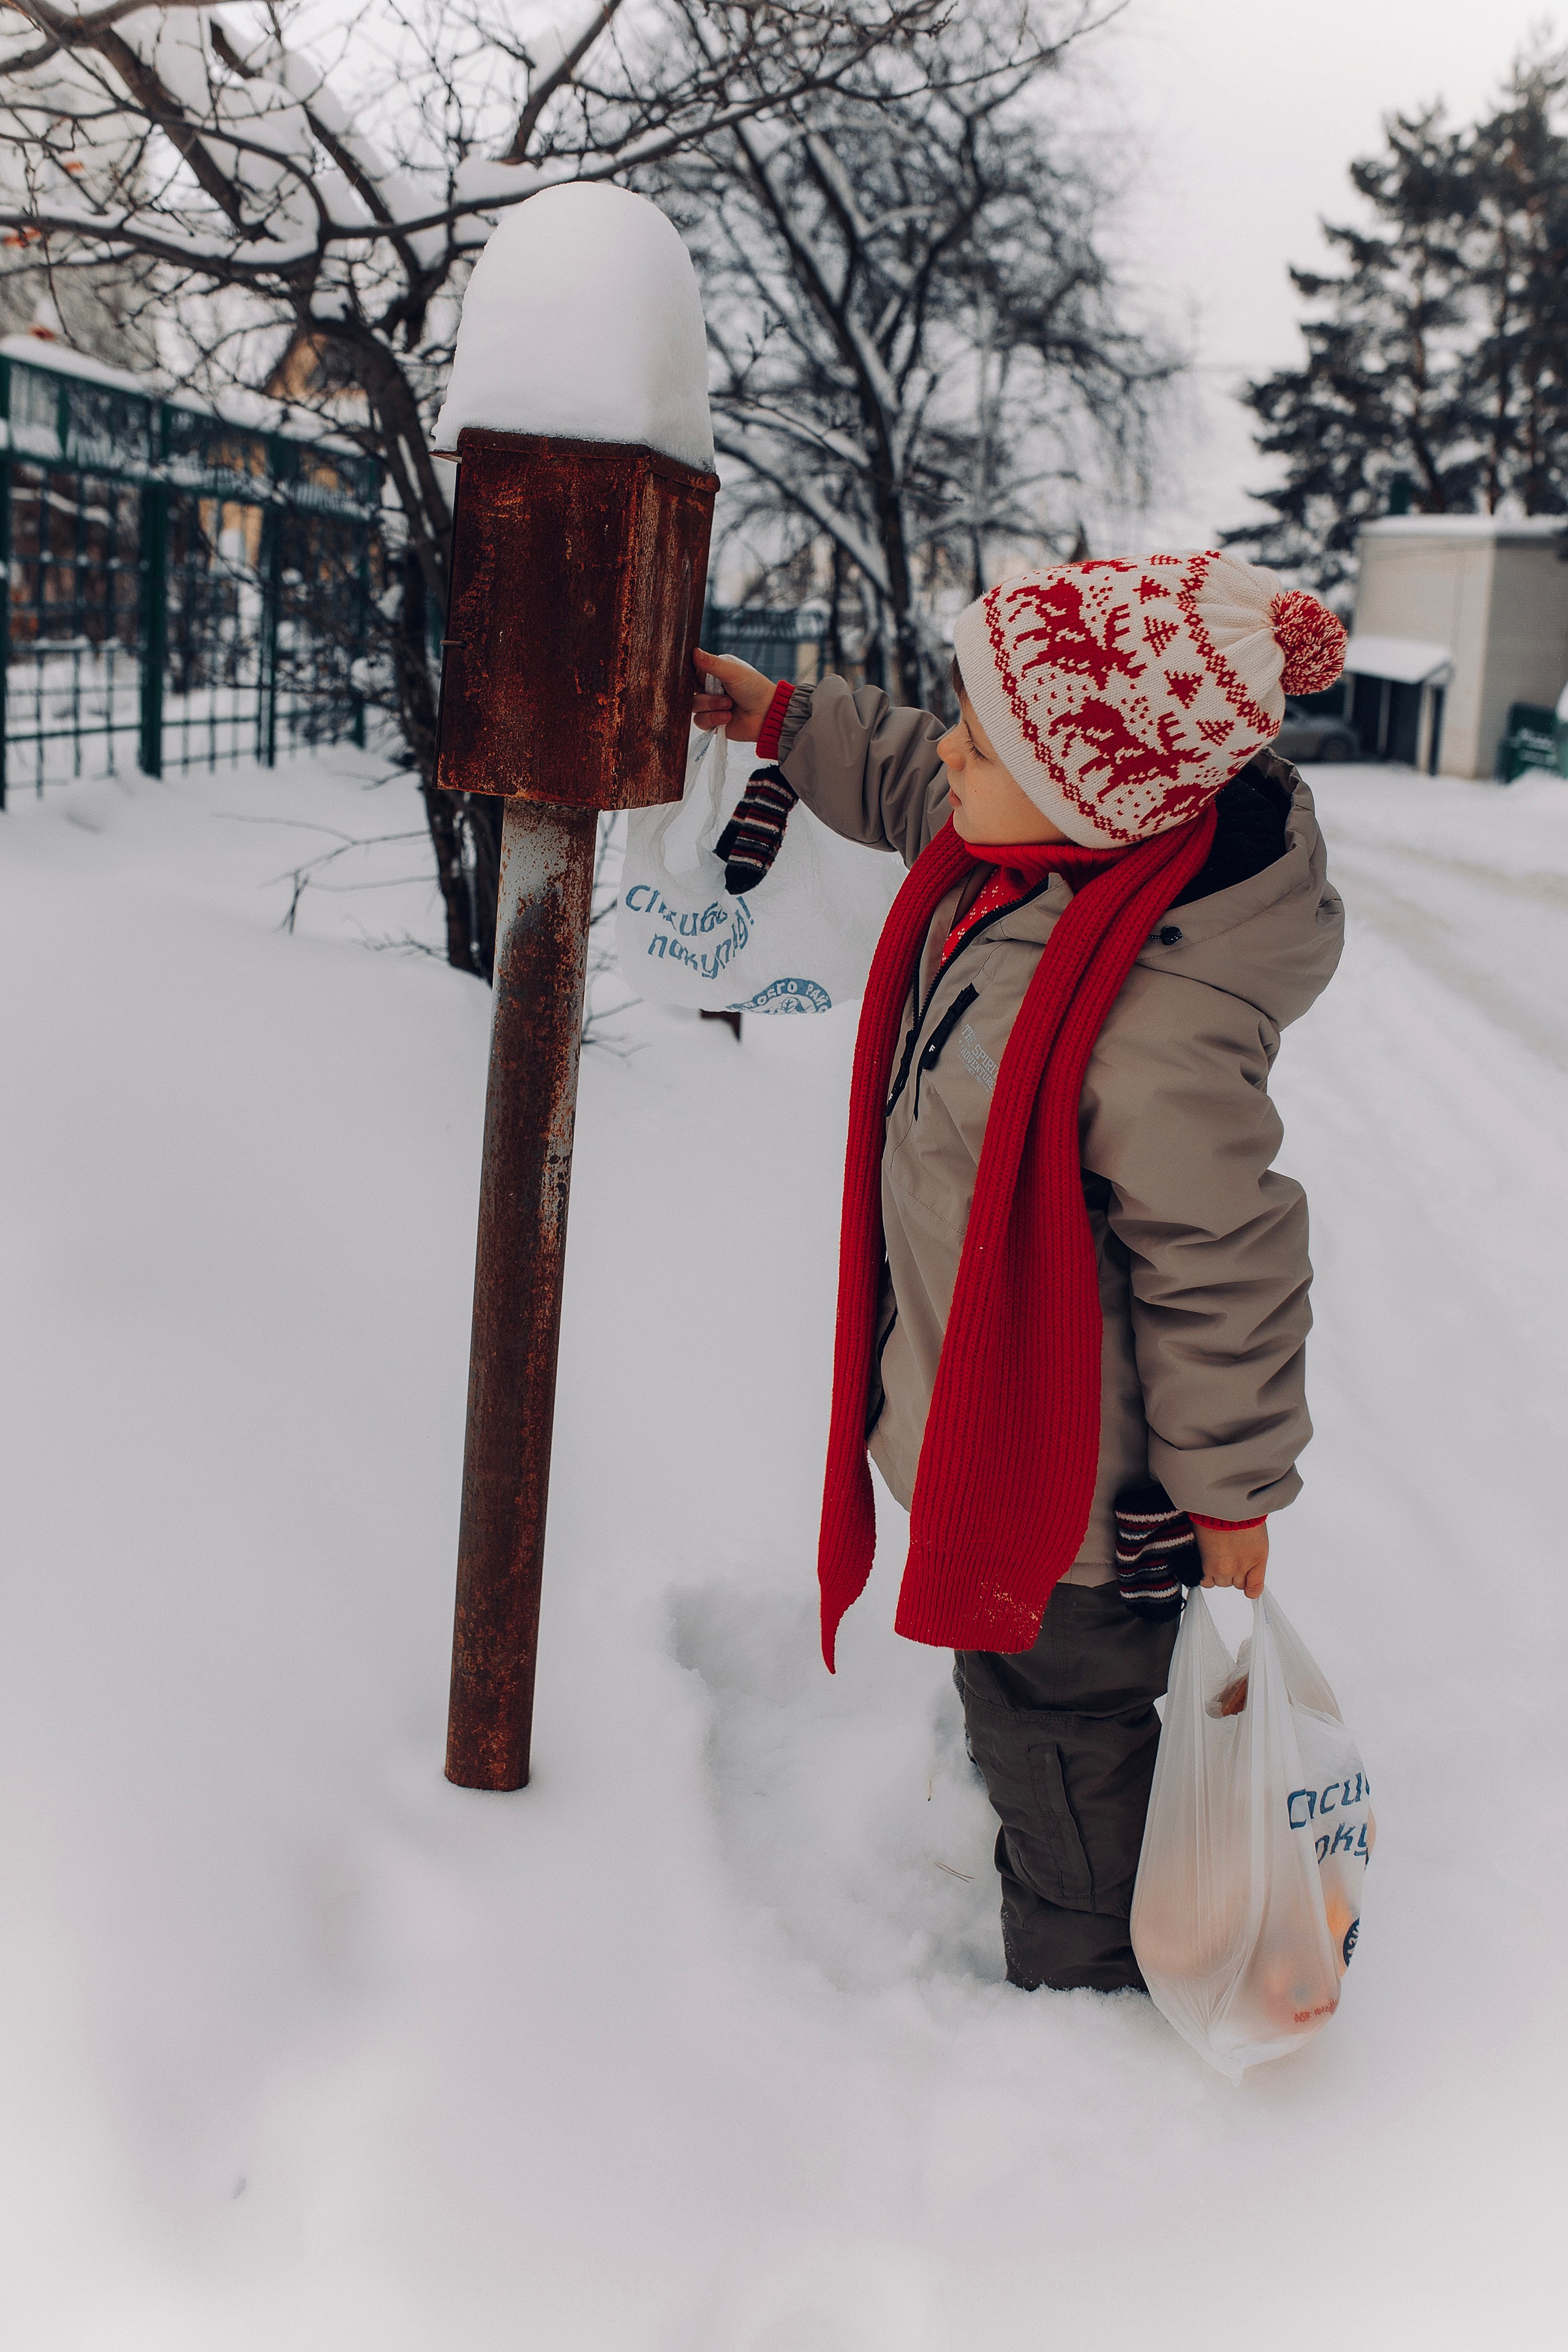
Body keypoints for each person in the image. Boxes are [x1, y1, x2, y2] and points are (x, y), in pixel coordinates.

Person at [692, 552, 1346, 1995]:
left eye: (978, 739)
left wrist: (1227, 1493)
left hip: (1076, 1491)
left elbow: (1225, 1266)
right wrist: (782, 720)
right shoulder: (1038, 853)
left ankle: (1090, 1974)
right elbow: (923, 788)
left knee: (1060, 1731)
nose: (946, 752)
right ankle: (1071, 1861)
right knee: (1035, 1702)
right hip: (994, 1425)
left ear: (1091, 801)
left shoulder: (1149, 1015)